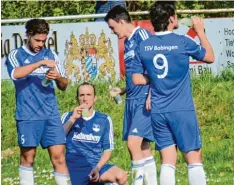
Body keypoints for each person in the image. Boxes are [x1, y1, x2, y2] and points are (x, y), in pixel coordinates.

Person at [132, 2, 215, 185]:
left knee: (168, 161)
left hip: (158, 111)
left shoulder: (144, 46)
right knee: (194, 159)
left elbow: (137, 79)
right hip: (182, 109)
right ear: (171, 18)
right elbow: (210, 57)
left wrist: (154, 78)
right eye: (175, 15)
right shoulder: (182, 42)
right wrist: (200, 31)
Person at [5, 19, 70, 185]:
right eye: (37, 40)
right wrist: (39, 63)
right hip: (27, 115)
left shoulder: (51, 55)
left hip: (51, 115)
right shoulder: (16, 55)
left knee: (59, 158)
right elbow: (15, 74)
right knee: (28, 158)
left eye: (44, 40)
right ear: (28, 35)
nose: (41, 44)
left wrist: (57, 78)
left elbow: (64, 85)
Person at [105, 6, 157, 185]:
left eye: (113, 27)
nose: (112, 32)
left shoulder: (142, 35)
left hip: (144, 99)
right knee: (143, 148)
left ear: (121, 21)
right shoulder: (127, 42)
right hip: (131, 100)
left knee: (133, 144)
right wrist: (123, 90)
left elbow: (156, 68)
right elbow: (137, 74)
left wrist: (152, 93)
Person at [61, 82, 128, 185]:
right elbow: (57, 140)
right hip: (74, 167)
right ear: (77, 98)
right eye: (81, 95)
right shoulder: (67, 117)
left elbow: (107, 149)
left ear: (95, 98)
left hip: (96, 165)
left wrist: (97, 168)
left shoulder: (104, 119)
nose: (85, 98)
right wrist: (73, 119)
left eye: (88, 95)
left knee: (121, 176)